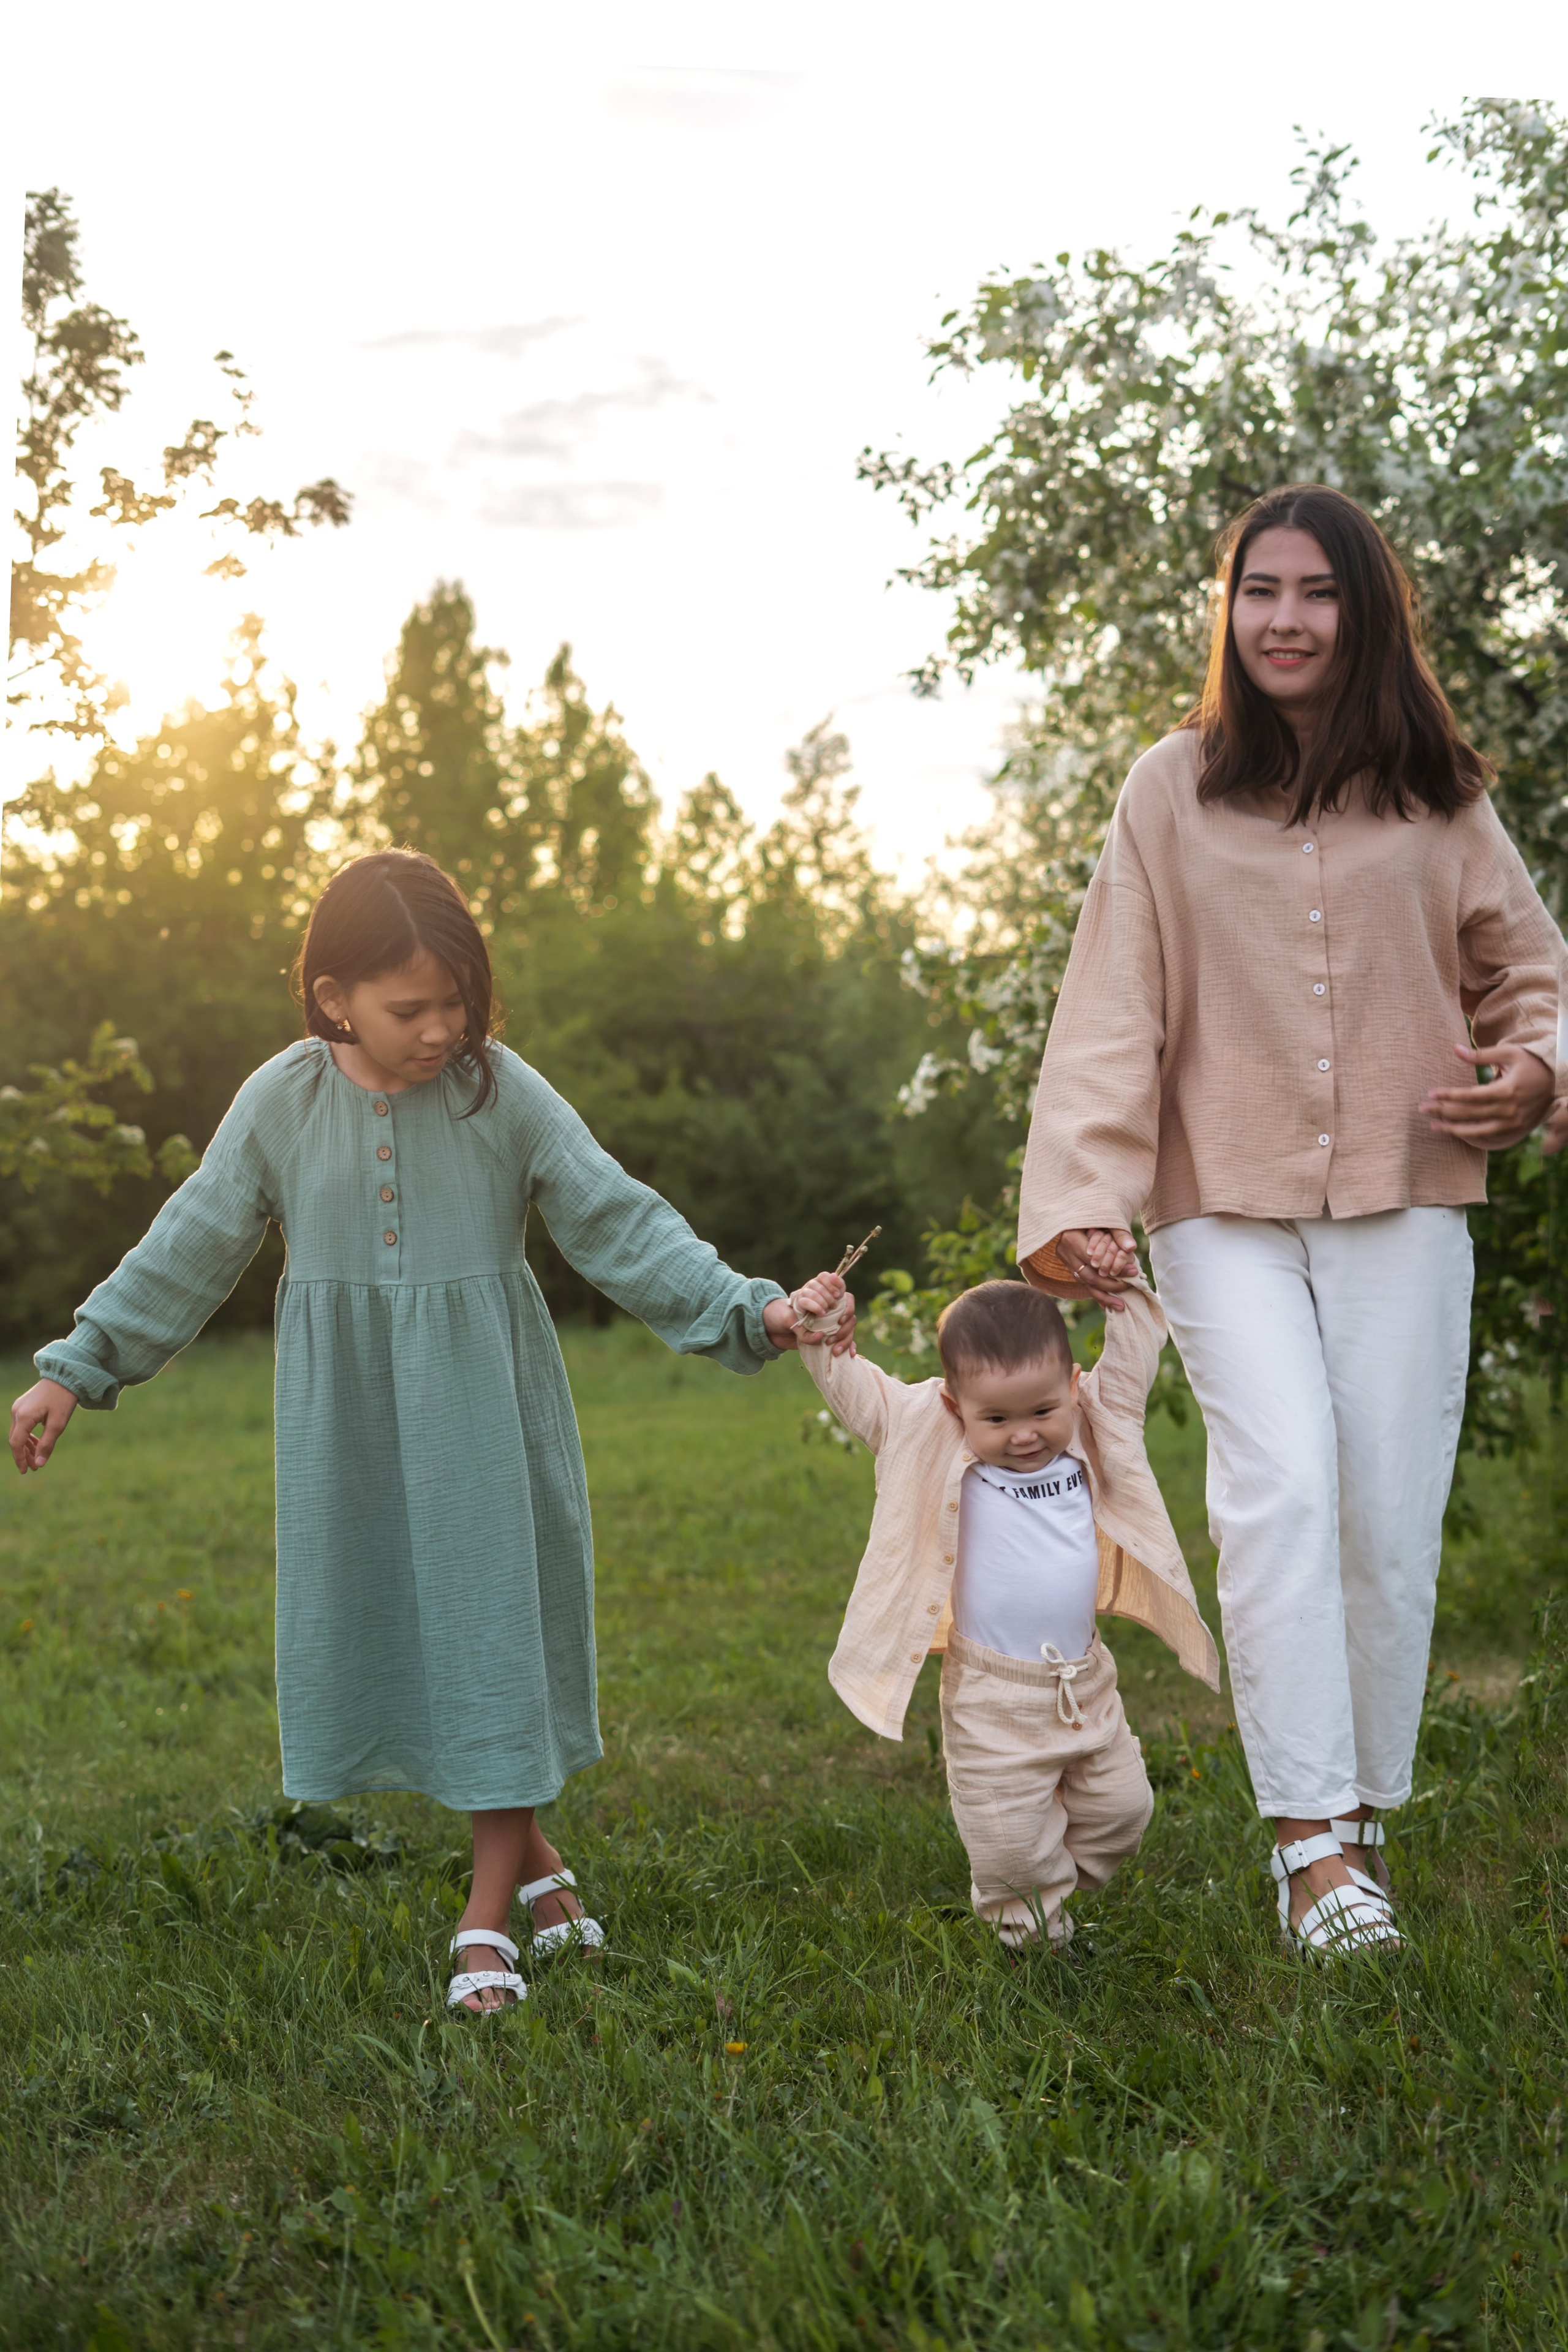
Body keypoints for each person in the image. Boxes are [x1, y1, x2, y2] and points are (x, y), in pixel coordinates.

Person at [7, 850, 854, 2013]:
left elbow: (617, 1217)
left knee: (489, 1638)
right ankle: (547, 1876)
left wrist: (749, 1309)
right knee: (422, 1647)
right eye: (413, 1007)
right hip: (349, 1428)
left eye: (459, 998)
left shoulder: (499, 1092)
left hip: (481, 1416)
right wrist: (76, 1365)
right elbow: (189, 1241)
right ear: (332, 996)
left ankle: (485, 1914)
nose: (443, 1027)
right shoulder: (282, 1102)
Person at [1017, 483, 1562, 1957]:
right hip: (1219, 1199)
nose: (1282, 619)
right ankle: (1305, 1845)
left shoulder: (1440, 797)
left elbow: (1534, 976)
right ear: (1229, 608)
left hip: (1407, 1187)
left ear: (1361, 610)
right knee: (1278, 1488)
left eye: (1314, 592)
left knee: (1383, 1506)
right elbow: (1108, 1008)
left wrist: (1532, 1071)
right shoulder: (1165, 790)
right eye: (1258, 590)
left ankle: (1361, 1809)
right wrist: (1079, 1196)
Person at [792, 1267, 1217, 1949]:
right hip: (992, 1694)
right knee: (1010, 1846)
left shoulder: (1096, 1422)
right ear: (955, 1407)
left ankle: (1051, 1889)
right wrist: (818, 1323)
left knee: (1123, 1811)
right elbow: (855, 1389)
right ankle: (1034, 1944)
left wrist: (1124, 1287)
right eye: (996, 1418)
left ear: (1074, 1388)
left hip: (1085, 1682)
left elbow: (1135, 1350)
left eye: (1042, 1412)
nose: (1023, 1435)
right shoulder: (925, 1434)